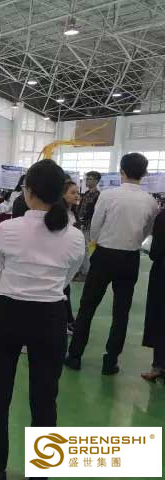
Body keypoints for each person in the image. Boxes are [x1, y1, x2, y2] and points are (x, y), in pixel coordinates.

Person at [0, 160, 84, 480]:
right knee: (44, 398)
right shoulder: (74, 237)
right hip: (50, 317)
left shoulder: (7, 229)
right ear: (60, 193)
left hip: (6, 313)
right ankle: (41, 472)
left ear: (27, 192)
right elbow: (67, 278)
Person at [66, 153, 159, 375]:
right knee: (121, 312)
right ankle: (110, 362)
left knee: (87, 307)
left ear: (121, 171)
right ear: (144, 173)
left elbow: (96, 227)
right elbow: (147, 231)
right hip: (130, 258)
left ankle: (75, 356)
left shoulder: (108, 196)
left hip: (104, 255)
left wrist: (98, 243)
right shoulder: (150, 201)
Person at [142, 207, 165, 382]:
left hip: (163, 274)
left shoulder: (163, 217)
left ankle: (159, 365)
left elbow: (156, 251)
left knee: (161, 318)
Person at [63, 180, 81, 334]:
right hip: (61, 259)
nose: (77, 195)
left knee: (65, 291)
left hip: (70, 260)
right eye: (73, 192)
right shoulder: (59, 214)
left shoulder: (72, 212)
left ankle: (68, 321)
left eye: (77, 192)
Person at [76, 171, 101, 279]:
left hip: (88, 226)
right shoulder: (85, 194)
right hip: (80, 224)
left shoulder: (98, 196)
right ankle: (80, 269)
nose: (87, 181)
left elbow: (95, 212)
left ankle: (85, 272)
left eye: (90, 179)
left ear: (96, 181)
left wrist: (84, 220)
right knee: (80, 248)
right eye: (87, 179)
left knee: (86, 249)